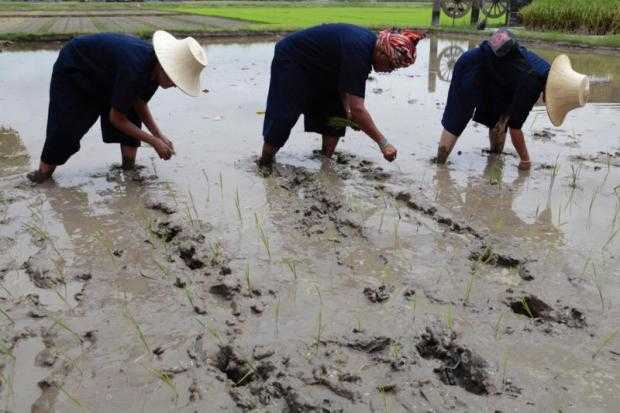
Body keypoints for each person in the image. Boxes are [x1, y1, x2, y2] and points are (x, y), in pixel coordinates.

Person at [27, 30, 208, 183]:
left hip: (110, 74)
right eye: (175, 79)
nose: (175, 85)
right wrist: (153, 142)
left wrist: (158, 134)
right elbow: (117, 119)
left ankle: (128, 170)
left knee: (130, 112)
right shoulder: (136, 68)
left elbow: (139, 101)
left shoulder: (153, 71)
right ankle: (42, 176)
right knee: (67, 127)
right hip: (77, 67)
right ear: (165, 67)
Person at [258, 23, 425, 167]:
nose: (389, 71)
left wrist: (347, 111)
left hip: (323, 67)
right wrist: (384, 144)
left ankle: (325, 163)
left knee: (336, 111)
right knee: (285, 113)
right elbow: (359, 110)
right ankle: (265, 162)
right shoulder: (359, 52)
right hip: (294, 58)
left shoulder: (367, 49)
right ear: (382, 53)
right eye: (391, 65)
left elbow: (346, 86)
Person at [435, 29, 550, 170]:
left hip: (499, 73)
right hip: (471, 67)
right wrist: (525, 160)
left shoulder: (542, 69)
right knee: (458, 115)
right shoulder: (532, 83)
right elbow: (515, 128)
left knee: (500, 115)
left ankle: (494, 159)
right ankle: (439, 165)